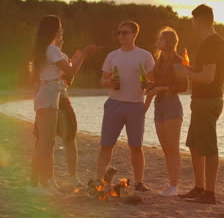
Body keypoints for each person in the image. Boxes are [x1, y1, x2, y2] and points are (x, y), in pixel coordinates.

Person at [30, 15, 99, 195]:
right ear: (54, 30)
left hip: (49, 94)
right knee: (46, 142)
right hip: (49, 94)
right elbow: (69, 73)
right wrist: (79, 58)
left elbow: (68, 76)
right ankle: (42, 184)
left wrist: (79, 57)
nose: (62, 30)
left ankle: (42, 183)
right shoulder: (52, 50)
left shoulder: (46, 50)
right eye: (59, 27)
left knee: (46, 142)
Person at [179, 4, 224, 204]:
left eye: (193, 21)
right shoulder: (220, 42)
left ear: (198, 21)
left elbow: (208, 78)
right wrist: (193, 68)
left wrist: (188, 74)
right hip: (206, 100)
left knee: (208, 147)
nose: (193, 24)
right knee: (194, 143)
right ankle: (199, 187)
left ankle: (209, 193)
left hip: (207, 101)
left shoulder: (211, 44)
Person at [96, 20, 155, 191]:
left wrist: (147, 86)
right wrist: (110, 83)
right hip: (114, 103)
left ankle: (139, 182)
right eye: (119, 32)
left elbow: (151, 82)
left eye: (125, 32)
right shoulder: (112, 56)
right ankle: (99, 179)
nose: (121, 36)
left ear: (134, 34)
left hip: (135, 105)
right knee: (106, 144)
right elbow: (102, 81)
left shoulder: (145, 56)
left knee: (136, 145)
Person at [144, 27, 188, 197]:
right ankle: (171, 184)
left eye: (161, 39)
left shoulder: (178, 60)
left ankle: (174, 186)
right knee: (166, 148)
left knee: (173, 148)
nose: (158, 42)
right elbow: (153, 84)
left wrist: (161, 88)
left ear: (169, 42)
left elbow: (184, 86)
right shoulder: (159, 61)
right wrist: (147, 85)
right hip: (159, 105)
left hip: (171, 105)